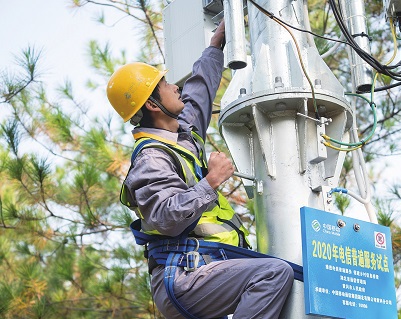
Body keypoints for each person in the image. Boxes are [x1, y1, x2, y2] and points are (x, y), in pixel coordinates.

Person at [106, 21, 294, 319]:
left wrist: (215, 45)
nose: (175, 86)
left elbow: (198, 91)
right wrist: (211, 181)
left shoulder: (182, 134)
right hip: (183, 276)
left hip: (205, 269)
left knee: (282, 276)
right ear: (153, 105)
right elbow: (165, 217)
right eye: (166, 85)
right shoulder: (152, 158)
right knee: (272, 273)